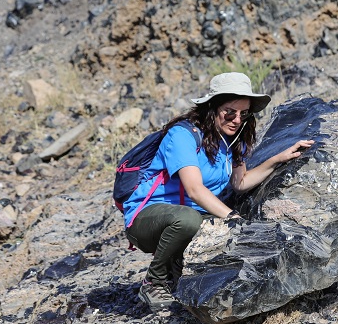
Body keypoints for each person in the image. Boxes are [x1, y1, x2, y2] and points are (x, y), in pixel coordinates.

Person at [123, 72, 314, 310]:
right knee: (190, 219)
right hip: (147, 219)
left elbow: (240, 182)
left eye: (244, 114)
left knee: (216, 230)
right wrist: (232, 218)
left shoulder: (234, 139)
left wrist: (280, 158)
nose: (237, 119)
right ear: (212, 108)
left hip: (190, 216)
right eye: (230, 112)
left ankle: (177, 270)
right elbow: (194, 190)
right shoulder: (182, 135)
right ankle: (154, 281)